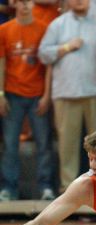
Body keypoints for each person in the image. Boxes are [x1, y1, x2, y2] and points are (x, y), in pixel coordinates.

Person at [38, 0, 96, 193]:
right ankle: (68, 191)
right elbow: (43, 54)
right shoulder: (58, 24)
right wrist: (65, 47)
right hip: (66, 92)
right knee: (67, 146)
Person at [0, 0, 55, 201]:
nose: (24, 5)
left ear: (33, 4)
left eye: (28, 2)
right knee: (10, 144)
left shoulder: (44, 29)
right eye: (20, 1)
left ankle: (45, 187)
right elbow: (2, 63)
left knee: (44, 144)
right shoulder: (4, 30)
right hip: (13, 94)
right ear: (14, 4)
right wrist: (0, 94)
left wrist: (47, 95)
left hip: (37, 95)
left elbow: (48, 65)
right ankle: (8, 188)